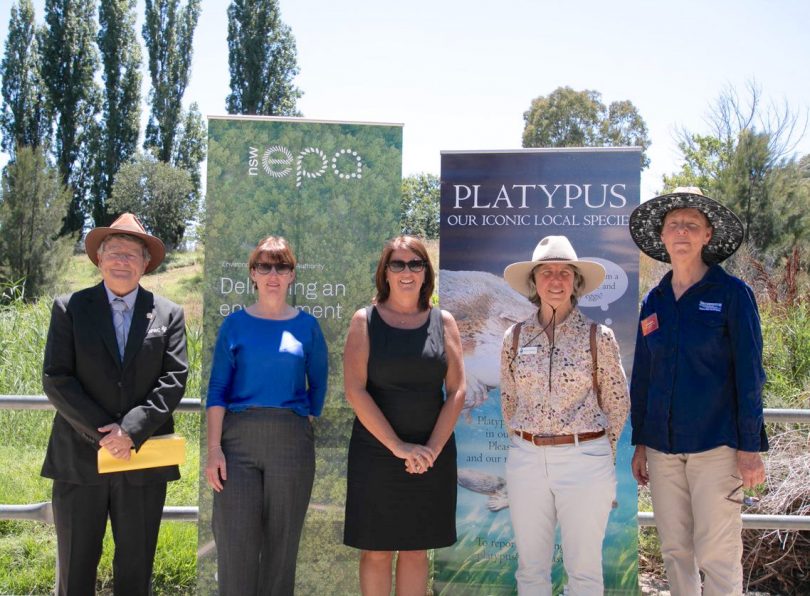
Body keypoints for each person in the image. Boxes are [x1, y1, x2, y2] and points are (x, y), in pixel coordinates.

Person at [629, 187, 768, 595]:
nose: (682, 232)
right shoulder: (653, 301)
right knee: (675, 550)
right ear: (663, 236)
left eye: (692, 225)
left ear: (708, 235)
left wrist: (749, 448)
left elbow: (750, 375)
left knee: (717, 553)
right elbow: (644, 378)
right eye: (674, 225)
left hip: (716, 447)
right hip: (662, 449)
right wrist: (641, 442)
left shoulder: (732, 295)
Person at [41, 213, 188, 595]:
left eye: (131, 255)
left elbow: (173, 380)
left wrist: (131, 431)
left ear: (145, 264)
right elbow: (57, 378)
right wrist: (106, 434)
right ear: (99, 259)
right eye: (115, 253)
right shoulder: (69, 308)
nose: (122, 261)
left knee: (136, 570)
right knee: (75, 568)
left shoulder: (169, 313)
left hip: (142, 461)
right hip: (79, 459)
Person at [500, 235, 630, 595]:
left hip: (585, 460)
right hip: (526, 460)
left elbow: (617, 402)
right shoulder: (514, 336)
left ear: (575, 282)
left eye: (564, 273)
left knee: (585, 572)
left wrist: (600, 453)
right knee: (530, 570)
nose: (555, 280)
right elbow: (509, 401)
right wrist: (528, 440)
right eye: (546, 273)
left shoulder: (597, 336)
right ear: (534, 282)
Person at [342, 235, 465, 596]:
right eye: (398, 264)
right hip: (376, 453)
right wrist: (397, 446)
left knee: (416, 549)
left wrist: (431, 450)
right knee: (376, 551)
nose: (407, 271)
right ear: (385, 273)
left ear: (426, 272)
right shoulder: (364, 321)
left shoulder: (444, 322)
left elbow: (457, 390)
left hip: (432, 455)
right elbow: (355, 390)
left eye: (416, 264)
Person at [205, 236, 328, 596]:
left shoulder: (308, 327)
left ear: (292, 275)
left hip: (291, 445)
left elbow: (318, 383)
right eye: (264, 266)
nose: (273, 274)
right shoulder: (234, 326)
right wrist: (215, 449)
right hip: (237, 445)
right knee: (235, 546)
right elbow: (217, 391)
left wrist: (304, 418)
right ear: (252, 274)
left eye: (282, 266)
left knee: (281, 550)